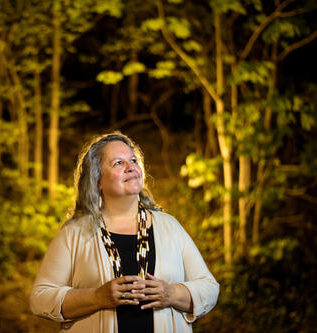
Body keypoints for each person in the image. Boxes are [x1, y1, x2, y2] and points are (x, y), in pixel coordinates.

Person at [30, 133, 219, 332]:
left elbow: (209, 288)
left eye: (133, 160)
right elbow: (40, 298)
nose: (131, 167)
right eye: (118, 163)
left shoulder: (169, 227)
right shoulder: (75, 232)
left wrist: (171, 294)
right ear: (97, 181)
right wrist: (97, 297)